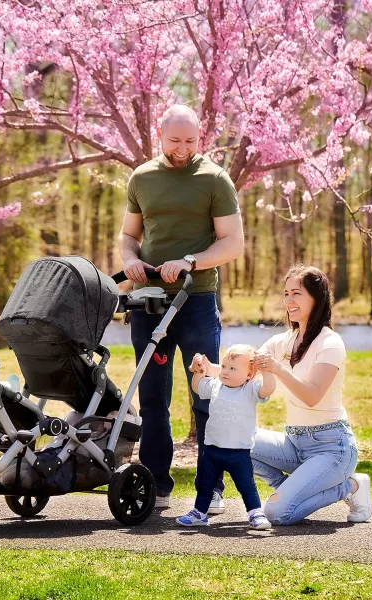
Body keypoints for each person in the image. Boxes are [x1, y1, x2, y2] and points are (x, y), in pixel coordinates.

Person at [119, 104, 244, 510]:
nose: (183, 148)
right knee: (154, 398)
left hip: (197, 299)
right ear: (160, 134)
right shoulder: (142, 177)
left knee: (206, 393)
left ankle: (214, 487)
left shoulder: (214, 179)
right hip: (150, 302)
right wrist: (130, 261)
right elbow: (128, 236)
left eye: (191, 140)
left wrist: (190, 261)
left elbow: (232, 243)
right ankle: (156, 483)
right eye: (175, 141)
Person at [251, 264, 372, 525]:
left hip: (332, 448)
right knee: (236, 440)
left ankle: (351, 486)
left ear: (316, 298)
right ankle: (286, 488)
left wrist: (277, 369)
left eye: (297, 293)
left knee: (277, 514)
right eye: (286, 294)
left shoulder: (330, 342)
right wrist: (209, 370)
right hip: (295, 443)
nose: (289, 301)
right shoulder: (283, 340)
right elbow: (246, 368)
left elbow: (312, 395)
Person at [176, 345, 275, 529]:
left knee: (246, 485)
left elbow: (268, 388)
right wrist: (199, 371)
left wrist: (267, 371)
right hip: (212, 449)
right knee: (205, 484)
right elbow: (197, 388)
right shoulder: (215, 384)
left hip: (238, 452)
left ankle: (255, 513)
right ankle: (199, 512)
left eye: (233, 368)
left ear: (249, 374)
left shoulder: (250, 389)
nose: (225, 372)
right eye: (224, 367)